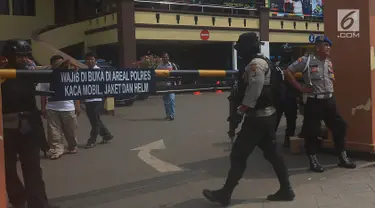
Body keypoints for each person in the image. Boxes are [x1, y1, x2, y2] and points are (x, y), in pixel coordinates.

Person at [202, 32, 295, 207]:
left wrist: (241, 110)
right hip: (266, 117)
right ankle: (286, 189)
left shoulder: (256, 64)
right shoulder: (263, 62)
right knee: (272, 154)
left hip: (257, 119)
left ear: (248, 48)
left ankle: (225, 194)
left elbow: (255, 89)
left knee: (238, 155)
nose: (239, 52)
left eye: (240, 49)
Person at [284, 35, 356, 173]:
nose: (328, 48)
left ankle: (342, 157)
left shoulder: (328, 62)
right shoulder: (306, 60)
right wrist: (300, 88)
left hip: (329, 100)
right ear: (318, 47)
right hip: (314, 101)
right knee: (312, 132)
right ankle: (313, 160)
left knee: (340, 127)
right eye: (325, 45)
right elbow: (288, 72)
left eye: (329, 46)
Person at [1, 39, 58, 208]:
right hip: (6, 129)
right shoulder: (2, 74)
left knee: (33, 170)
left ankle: (39, 204)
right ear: (9, 56)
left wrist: (63, 69)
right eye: (19, 56)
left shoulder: (29, 73)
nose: (23, 59)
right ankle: (18, 200)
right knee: (7, 170)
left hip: (29, 128)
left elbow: (51, 73)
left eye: (25, 56)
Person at [40, 55, 80, 160]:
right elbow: (43, 94)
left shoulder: (69, 74)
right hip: (52, 107)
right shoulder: (47, 76)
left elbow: (75, 90)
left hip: (68, 107)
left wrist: (77, 106)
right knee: (54, 133)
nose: (61, 66)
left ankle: (72, 147)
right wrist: (43, 108)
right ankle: (56, 151)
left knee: (71, 131)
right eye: (57, 64)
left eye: (61, 63)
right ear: (52, 65)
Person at [84, 52, 113, 148]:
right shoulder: (84, 72)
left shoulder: (100, 72)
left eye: (92, 59)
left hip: (97, 99)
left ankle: (92, 140)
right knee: (95, 120)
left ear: (95, 61)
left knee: (95, 121)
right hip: (88, 100)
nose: (90, 61)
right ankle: (107, 135)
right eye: (88, 60)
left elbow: (106, 85)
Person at [275, 44, 299, 148]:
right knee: (275, 119)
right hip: (279, 96)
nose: (285, 54)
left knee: (291, 119)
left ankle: (288, 139)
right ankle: (270, 139)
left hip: (291, 96)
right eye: (283, 52)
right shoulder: (277, 64)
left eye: (287, 52)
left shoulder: (296, 64)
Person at [157, 52, 178, 121]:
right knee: (166, 101)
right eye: (164, 57)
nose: (165, 58)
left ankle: (172, 115)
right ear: (162, 58)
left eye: (166, 57)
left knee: (171, 100)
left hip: (171, 85)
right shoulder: (159, 66)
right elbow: (156, 74)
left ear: (168, 58)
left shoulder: (172, 65)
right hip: (163, 86)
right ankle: (168, 115)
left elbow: (177, 74)